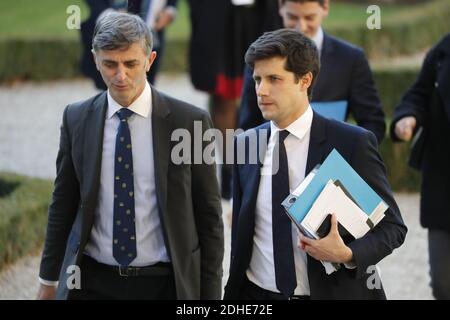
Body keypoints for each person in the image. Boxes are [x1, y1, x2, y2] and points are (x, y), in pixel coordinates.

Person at [37, 12, 223, 300]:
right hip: (91, 283)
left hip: (164, 284)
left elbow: (209, 218)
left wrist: (210, 298)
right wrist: (47, 280)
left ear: (149, 61)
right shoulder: (76, 118)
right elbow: (62, 203)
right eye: (110, 64)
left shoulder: (192, 122)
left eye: (131, 64)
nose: (120, 75)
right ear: (95, 59)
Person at [224, 29, 407, 300]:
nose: (261, 90)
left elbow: (392, 228)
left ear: (304, 80)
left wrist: (347, 254)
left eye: (274, 79)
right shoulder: (244, 145)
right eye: (257, 79)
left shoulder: (350, 143)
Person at [238, 0, 385, 144]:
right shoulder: (261, 57)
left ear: (325, 7)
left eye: (309, 18)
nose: (301, 26)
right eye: (292, 17)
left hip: (334, 160)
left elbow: (373, 124)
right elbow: (248, 124)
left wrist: (337, 166)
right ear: (280, 7)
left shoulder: (351, 59)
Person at [187, 0, 282, 199]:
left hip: (260, 14)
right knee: (223, 96)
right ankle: (230, 169)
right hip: (218, 15)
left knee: (267, 90)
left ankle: (257, 167)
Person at [390, 33, 450, 300]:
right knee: (442, 282)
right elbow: (419, 93)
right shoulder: (443, 50)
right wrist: (408, 116)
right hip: (443, 183)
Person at [127, 0, 179, 84]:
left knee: (150, 80)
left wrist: (170, 12)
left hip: (155, 32)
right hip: (128, 31)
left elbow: (171, 5)